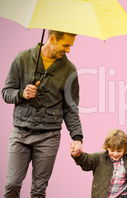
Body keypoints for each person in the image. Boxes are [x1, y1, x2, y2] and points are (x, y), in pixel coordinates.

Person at [2, 30, 83, 197]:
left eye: (70, 46)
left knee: (38, 191)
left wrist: (77, 137)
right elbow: (6, 92)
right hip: (20, 133)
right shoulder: (22, 58)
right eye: (65, 45)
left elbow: (70, 108)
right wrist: (22, 94)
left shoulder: (69, 70)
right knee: (12, 184)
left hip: (49, 136)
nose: (68, 50)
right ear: (52, 39)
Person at [71, 129, 127, 198]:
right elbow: (86, 161)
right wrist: (79, 156)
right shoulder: (98, 158)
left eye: (119, 151)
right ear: (107, 147)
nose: (115, 154)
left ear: (125, 149)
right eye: (112, 150)